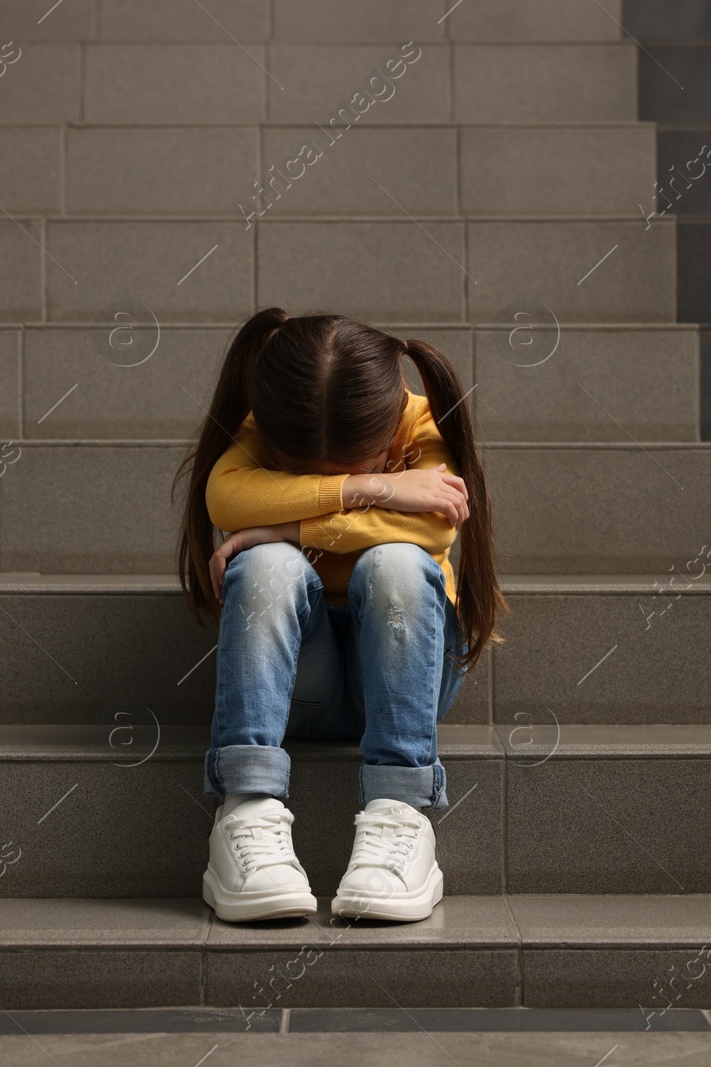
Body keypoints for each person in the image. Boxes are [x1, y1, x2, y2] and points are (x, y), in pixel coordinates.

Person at [175, 307, 505, 923]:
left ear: (388, 438)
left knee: (397, 565)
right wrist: (371, 488)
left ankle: (401, 814)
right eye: (305, 475)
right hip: (298, 684)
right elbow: (226, 496)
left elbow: (435, 523)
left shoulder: (418, 422)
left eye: (367, 466)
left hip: (409, 681)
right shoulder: (265, 421)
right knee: (269, 566)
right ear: (274, 439)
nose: (348, 480)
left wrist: (281, 522)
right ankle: (245, 809)